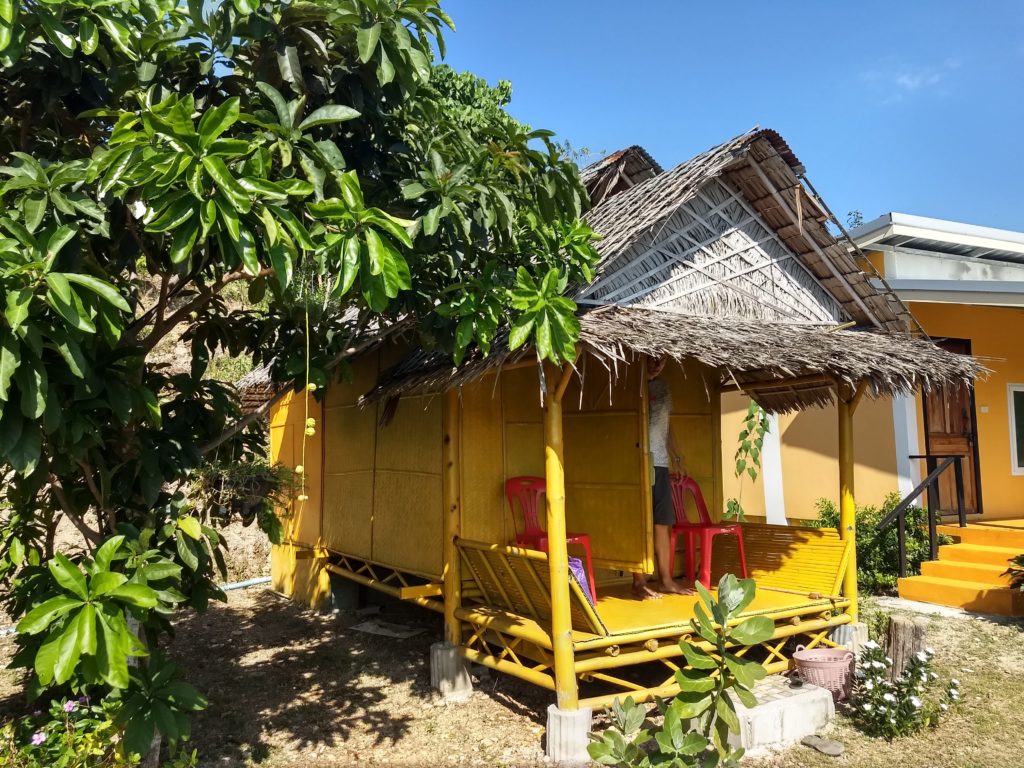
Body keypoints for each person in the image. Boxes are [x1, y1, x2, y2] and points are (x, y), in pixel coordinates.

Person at [632, 356, 695, 600]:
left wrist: (677, 457)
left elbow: (666, 427)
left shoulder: (664, 387)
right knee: (640, 523)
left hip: (659, 462)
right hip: (637, 461)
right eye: (651, 359)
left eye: (661, 361)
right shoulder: (631, 387)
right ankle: (639, 582)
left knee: (663, 522)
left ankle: (666, 580)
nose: (656, 364)